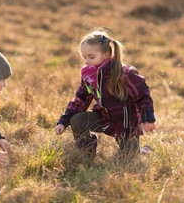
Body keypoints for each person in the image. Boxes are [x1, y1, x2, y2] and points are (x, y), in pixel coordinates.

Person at [54, 30, 156, 158]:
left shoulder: (125, 73)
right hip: (104, 118)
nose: (86, 61)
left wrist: (148, 119)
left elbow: (143, 95)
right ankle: (87, 153)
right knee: (77, 120)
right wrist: (64, 121)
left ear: (106, 55)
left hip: (125, 125)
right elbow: (80, 99)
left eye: (91, 57)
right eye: (84, 57)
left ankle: (144, 151)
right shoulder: (89, 75)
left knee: (129, 159)